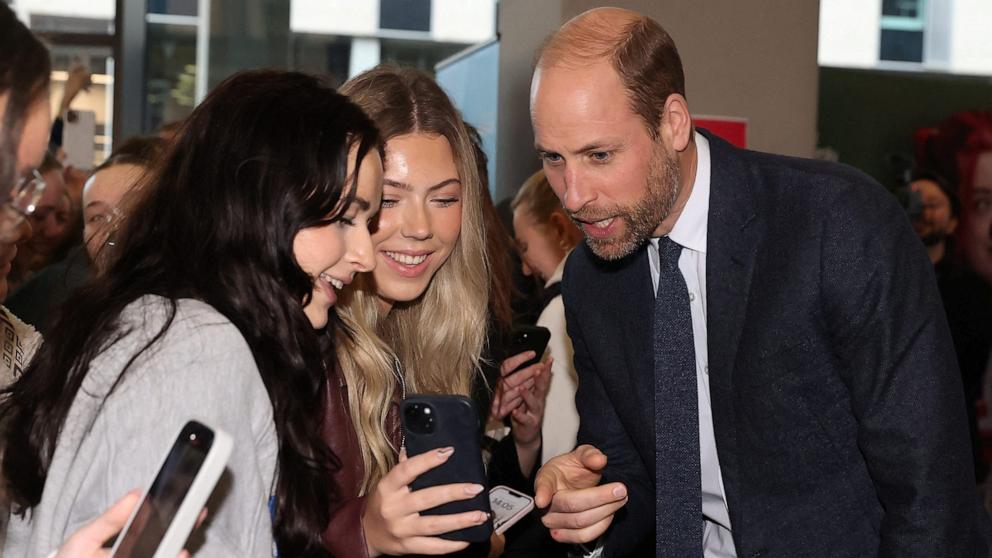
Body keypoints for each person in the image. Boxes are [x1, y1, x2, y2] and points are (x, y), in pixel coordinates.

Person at [530, 7, 988, 557]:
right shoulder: (592, 279)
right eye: (553, 159)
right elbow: (631, 471)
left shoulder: (834, 223)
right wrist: (588, 506)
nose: (573, 195)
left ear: (673, 121)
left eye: (599, 155)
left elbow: (930, 489)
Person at [0, 69, 383, 557]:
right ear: (262, 201)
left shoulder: (159, 325)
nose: (365, 255)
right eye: (346, 217)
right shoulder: (198, 348)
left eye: (367, 223)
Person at [321, 65, 551, 558]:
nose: (421, 227)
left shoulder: (442, 333)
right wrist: (363, 532)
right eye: (389, 199)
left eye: (444, 198)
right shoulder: (306, 340)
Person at [4, 136, 167, 332]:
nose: (115, 229)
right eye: (97, 217)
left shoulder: (197, 321)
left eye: (134, 211)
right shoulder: (57, 298)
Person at [510, 169, 582, 465]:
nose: (526, 269)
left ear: (559, 230)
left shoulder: (557, 314)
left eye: (525, 247)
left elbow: (558, 447)